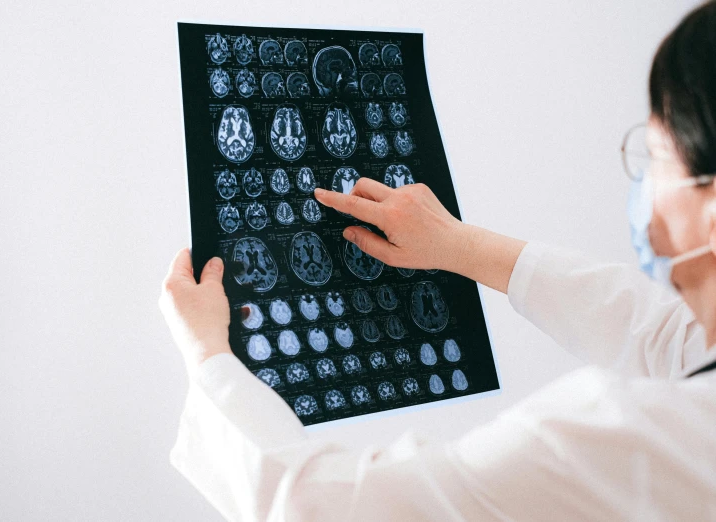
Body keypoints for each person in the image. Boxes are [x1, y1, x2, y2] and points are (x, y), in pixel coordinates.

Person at [158, 2, 716, 520]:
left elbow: (322, 507)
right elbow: (661, 335)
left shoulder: (631, 443)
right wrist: (458, 245)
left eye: (655, 154)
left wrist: (208, 354)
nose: (644, 182)